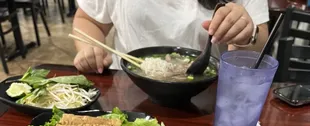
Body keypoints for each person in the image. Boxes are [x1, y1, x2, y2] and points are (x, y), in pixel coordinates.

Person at [73, 0, 269, 74]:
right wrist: (90, 50)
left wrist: (245, 37)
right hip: (127, 90)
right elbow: (88, 20)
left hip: (206, 98)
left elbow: (256, 49)